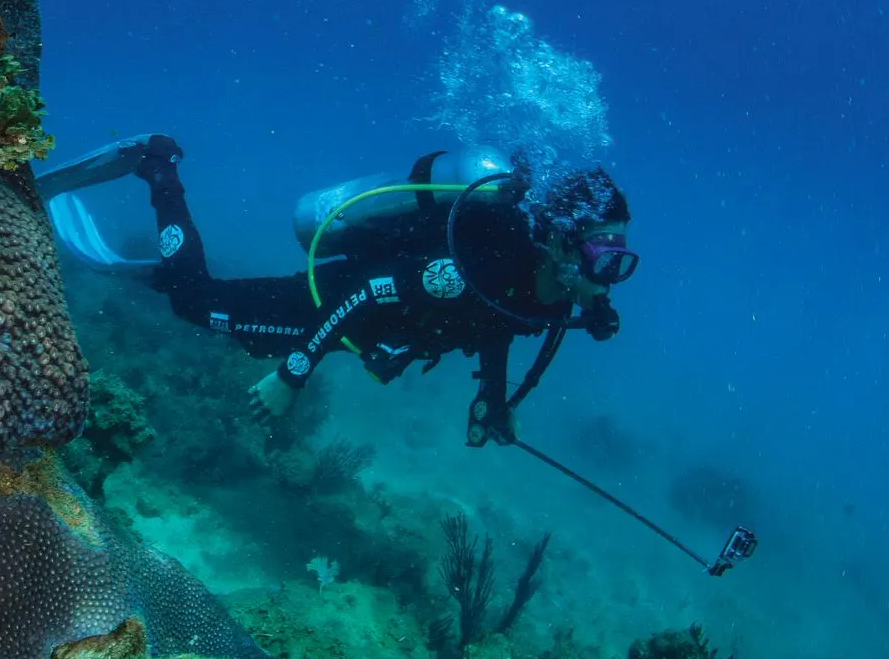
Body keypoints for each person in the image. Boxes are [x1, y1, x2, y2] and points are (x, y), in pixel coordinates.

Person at [39, 136, 637, 447]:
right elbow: (372, 292)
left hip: (356, 328)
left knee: (210, 309)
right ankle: (158, 165)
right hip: (333, 303)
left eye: (618, 255)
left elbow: (497, 328)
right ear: (562, 241)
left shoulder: (547, 292)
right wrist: (294, 373)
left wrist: (495, 402)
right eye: (601, 252)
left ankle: (164, 268)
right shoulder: (476, 269)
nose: (610, 271)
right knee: (196, 303)